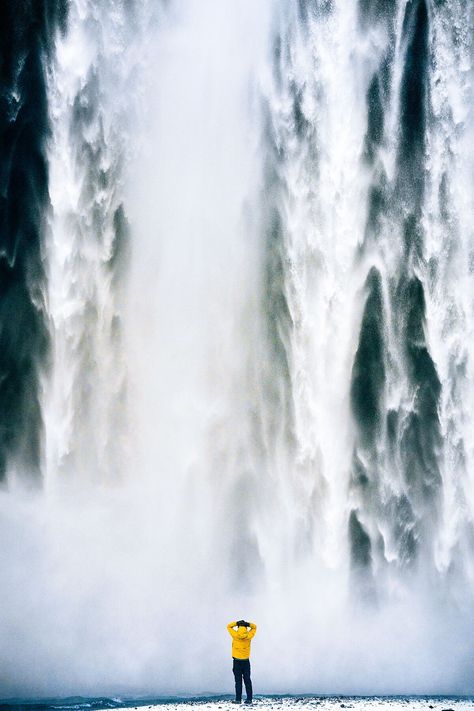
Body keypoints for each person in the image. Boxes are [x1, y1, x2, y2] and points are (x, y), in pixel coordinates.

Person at [227, 619, 257, 705]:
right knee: (247, 680)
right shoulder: (248, 636)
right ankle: (249, 699)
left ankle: (238, 699)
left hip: (236, 662)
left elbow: (228, 626)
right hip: (246, 661)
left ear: (238, 628)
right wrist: (248, 624)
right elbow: (255, 627)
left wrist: (236, 623)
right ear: (246, 629)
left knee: (238, 681)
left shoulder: (235, 635)